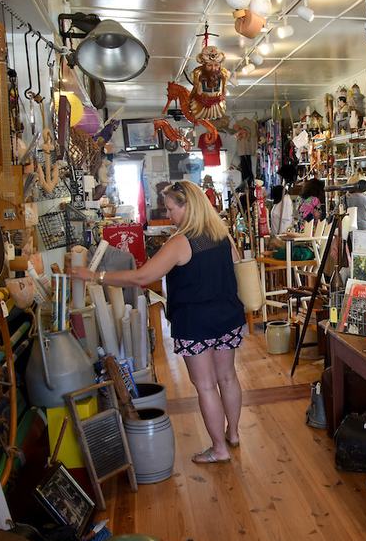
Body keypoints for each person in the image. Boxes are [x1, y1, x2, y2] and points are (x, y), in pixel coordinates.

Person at [71, 181, 246, 465]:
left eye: (171, 208)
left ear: (187, 206)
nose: (169, 214)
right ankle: (233, 434)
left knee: (205, 386)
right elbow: (236, 266)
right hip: (228, 316)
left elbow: (141, 277)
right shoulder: (221, 234)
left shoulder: (181, 242)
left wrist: (95, 277)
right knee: (227, 377)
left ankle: (219, 448)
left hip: (196, 322)